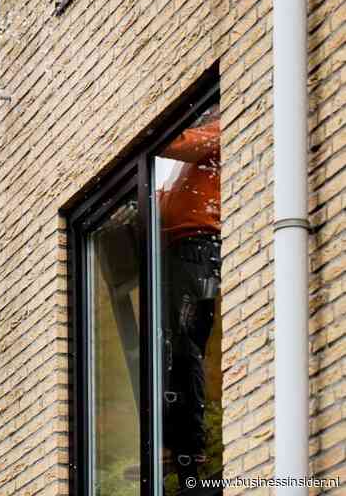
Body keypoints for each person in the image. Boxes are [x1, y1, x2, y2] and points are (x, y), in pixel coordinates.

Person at [158, 109, 221, 490]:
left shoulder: (219, 131)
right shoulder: (194, 166)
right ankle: (180, 445)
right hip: (181, 250)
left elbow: (172, 142)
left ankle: (191, 453)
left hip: (199, 249)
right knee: (175, 351)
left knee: (185, 350)